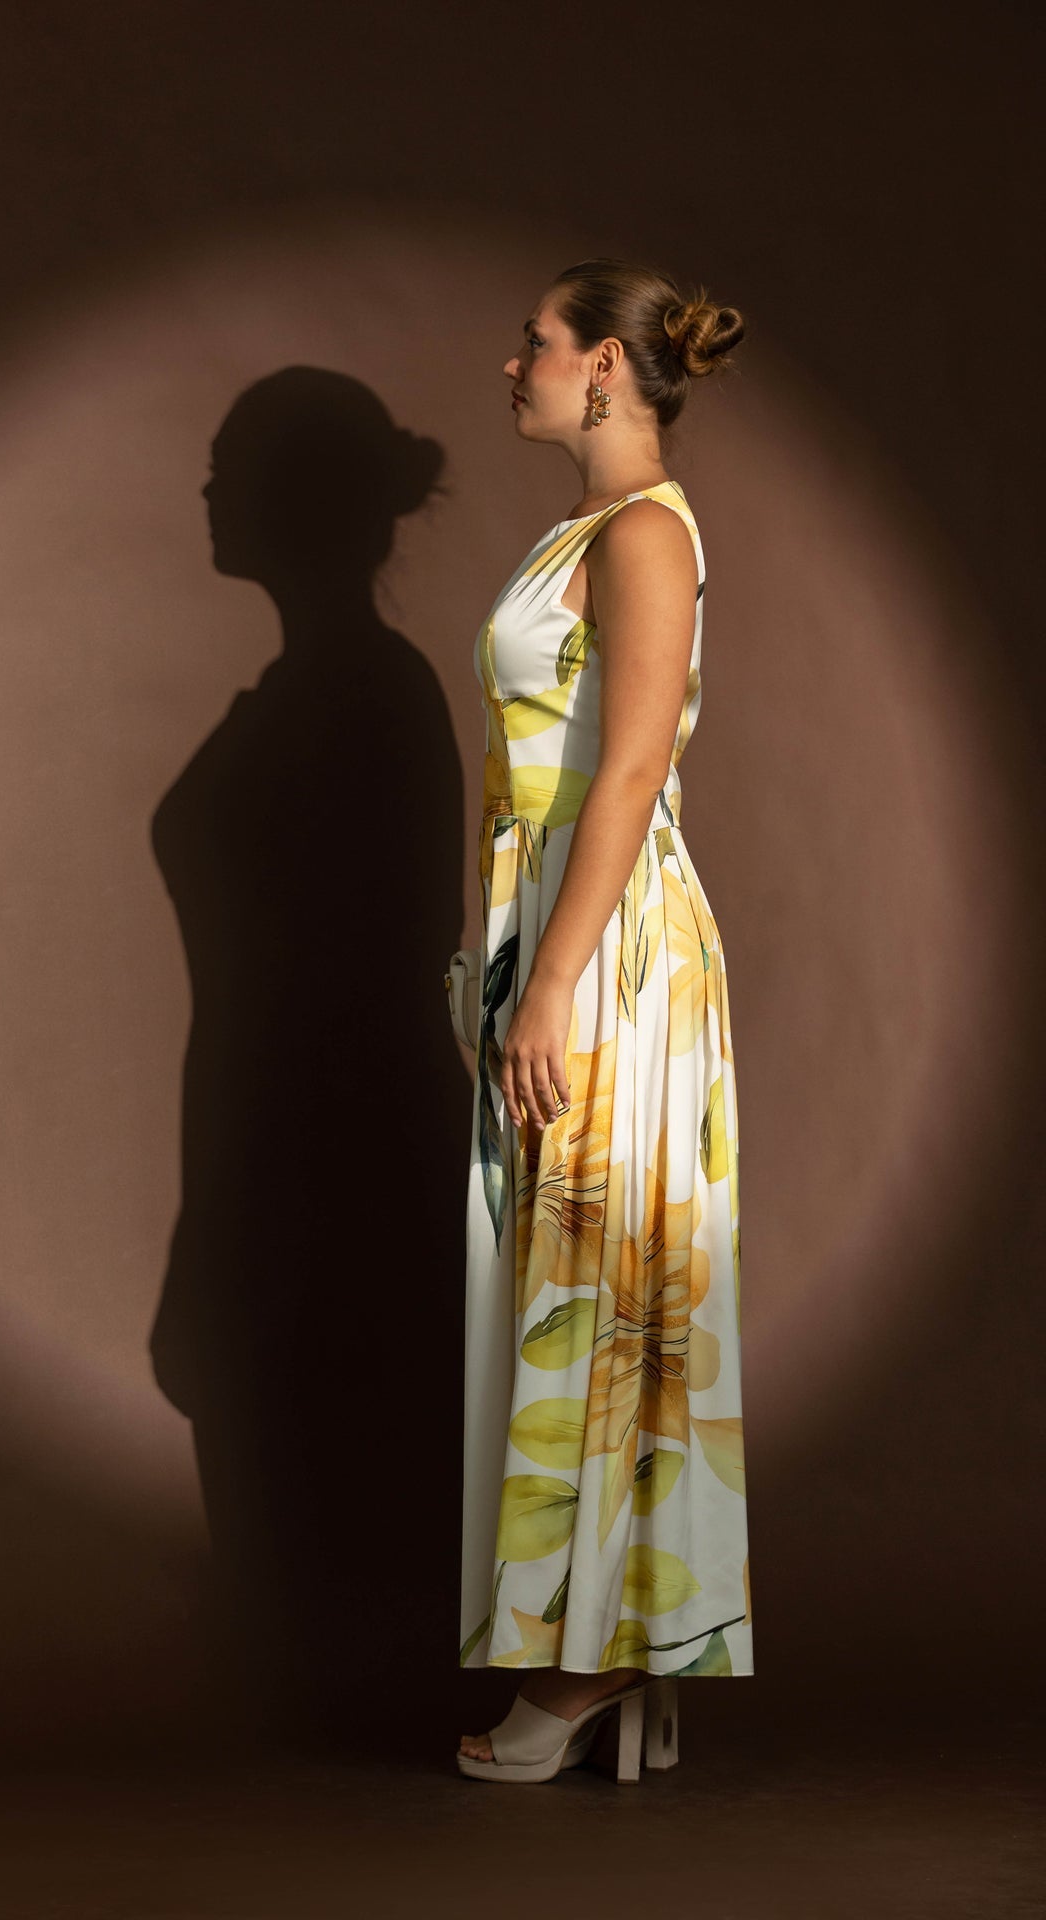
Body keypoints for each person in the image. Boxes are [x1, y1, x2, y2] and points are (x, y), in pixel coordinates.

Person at [456, 258, 753, 1783]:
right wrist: (495, 962)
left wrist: (557, 977)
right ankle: (607, 1636)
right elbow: (532, 764)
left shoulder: (645, 534)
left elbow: (629, 770)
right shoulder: (581, 530)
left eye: (536, 342)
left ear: (605, 371)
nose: (512, 364)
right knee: (564, 1278)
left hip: (613, 947)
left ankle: (590, 1663)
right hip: (558, 932)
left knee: (604, 1276)